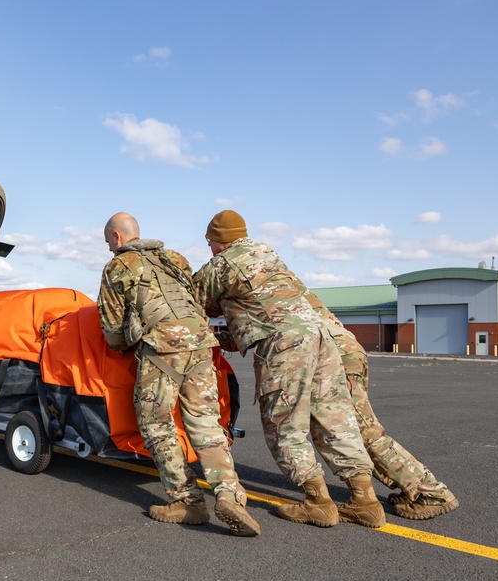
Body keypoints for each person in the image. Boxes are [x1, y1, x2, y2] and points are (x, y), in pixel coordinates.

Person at [192, 209, 385, 529]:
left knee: (284, 425)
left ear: (217, 240)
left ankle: (318, 503)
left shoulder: (221, 265)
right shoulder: (269, 256)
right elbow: (262, 311)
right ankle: (365, 501)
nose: (209, 248)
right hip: (321, 339)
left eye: (209, 242)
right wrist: (227, 336)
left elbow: (192, 303)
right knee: (335, 419)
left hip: (284, 347)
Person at [96, 212, 260, 537]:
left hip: (163, 347)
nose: (108, 249)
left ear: (116, 237)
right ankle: (231, 496)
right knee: (205, 423)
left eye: (107, 243)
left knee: (155, 421)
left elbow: (113, 333)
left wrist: (129, 339)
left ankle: (187, 501)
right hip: (201, 344)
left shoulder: (118, 267)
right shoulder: (174, 258)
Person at [300, 288, 459, 519]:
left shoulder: (248, 278)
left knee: (359, 431)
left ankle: (430, 491)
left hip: (330, 355)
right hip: (341, 348)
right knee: (356, 430)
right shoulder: (280, 277)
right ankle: (410, 487)